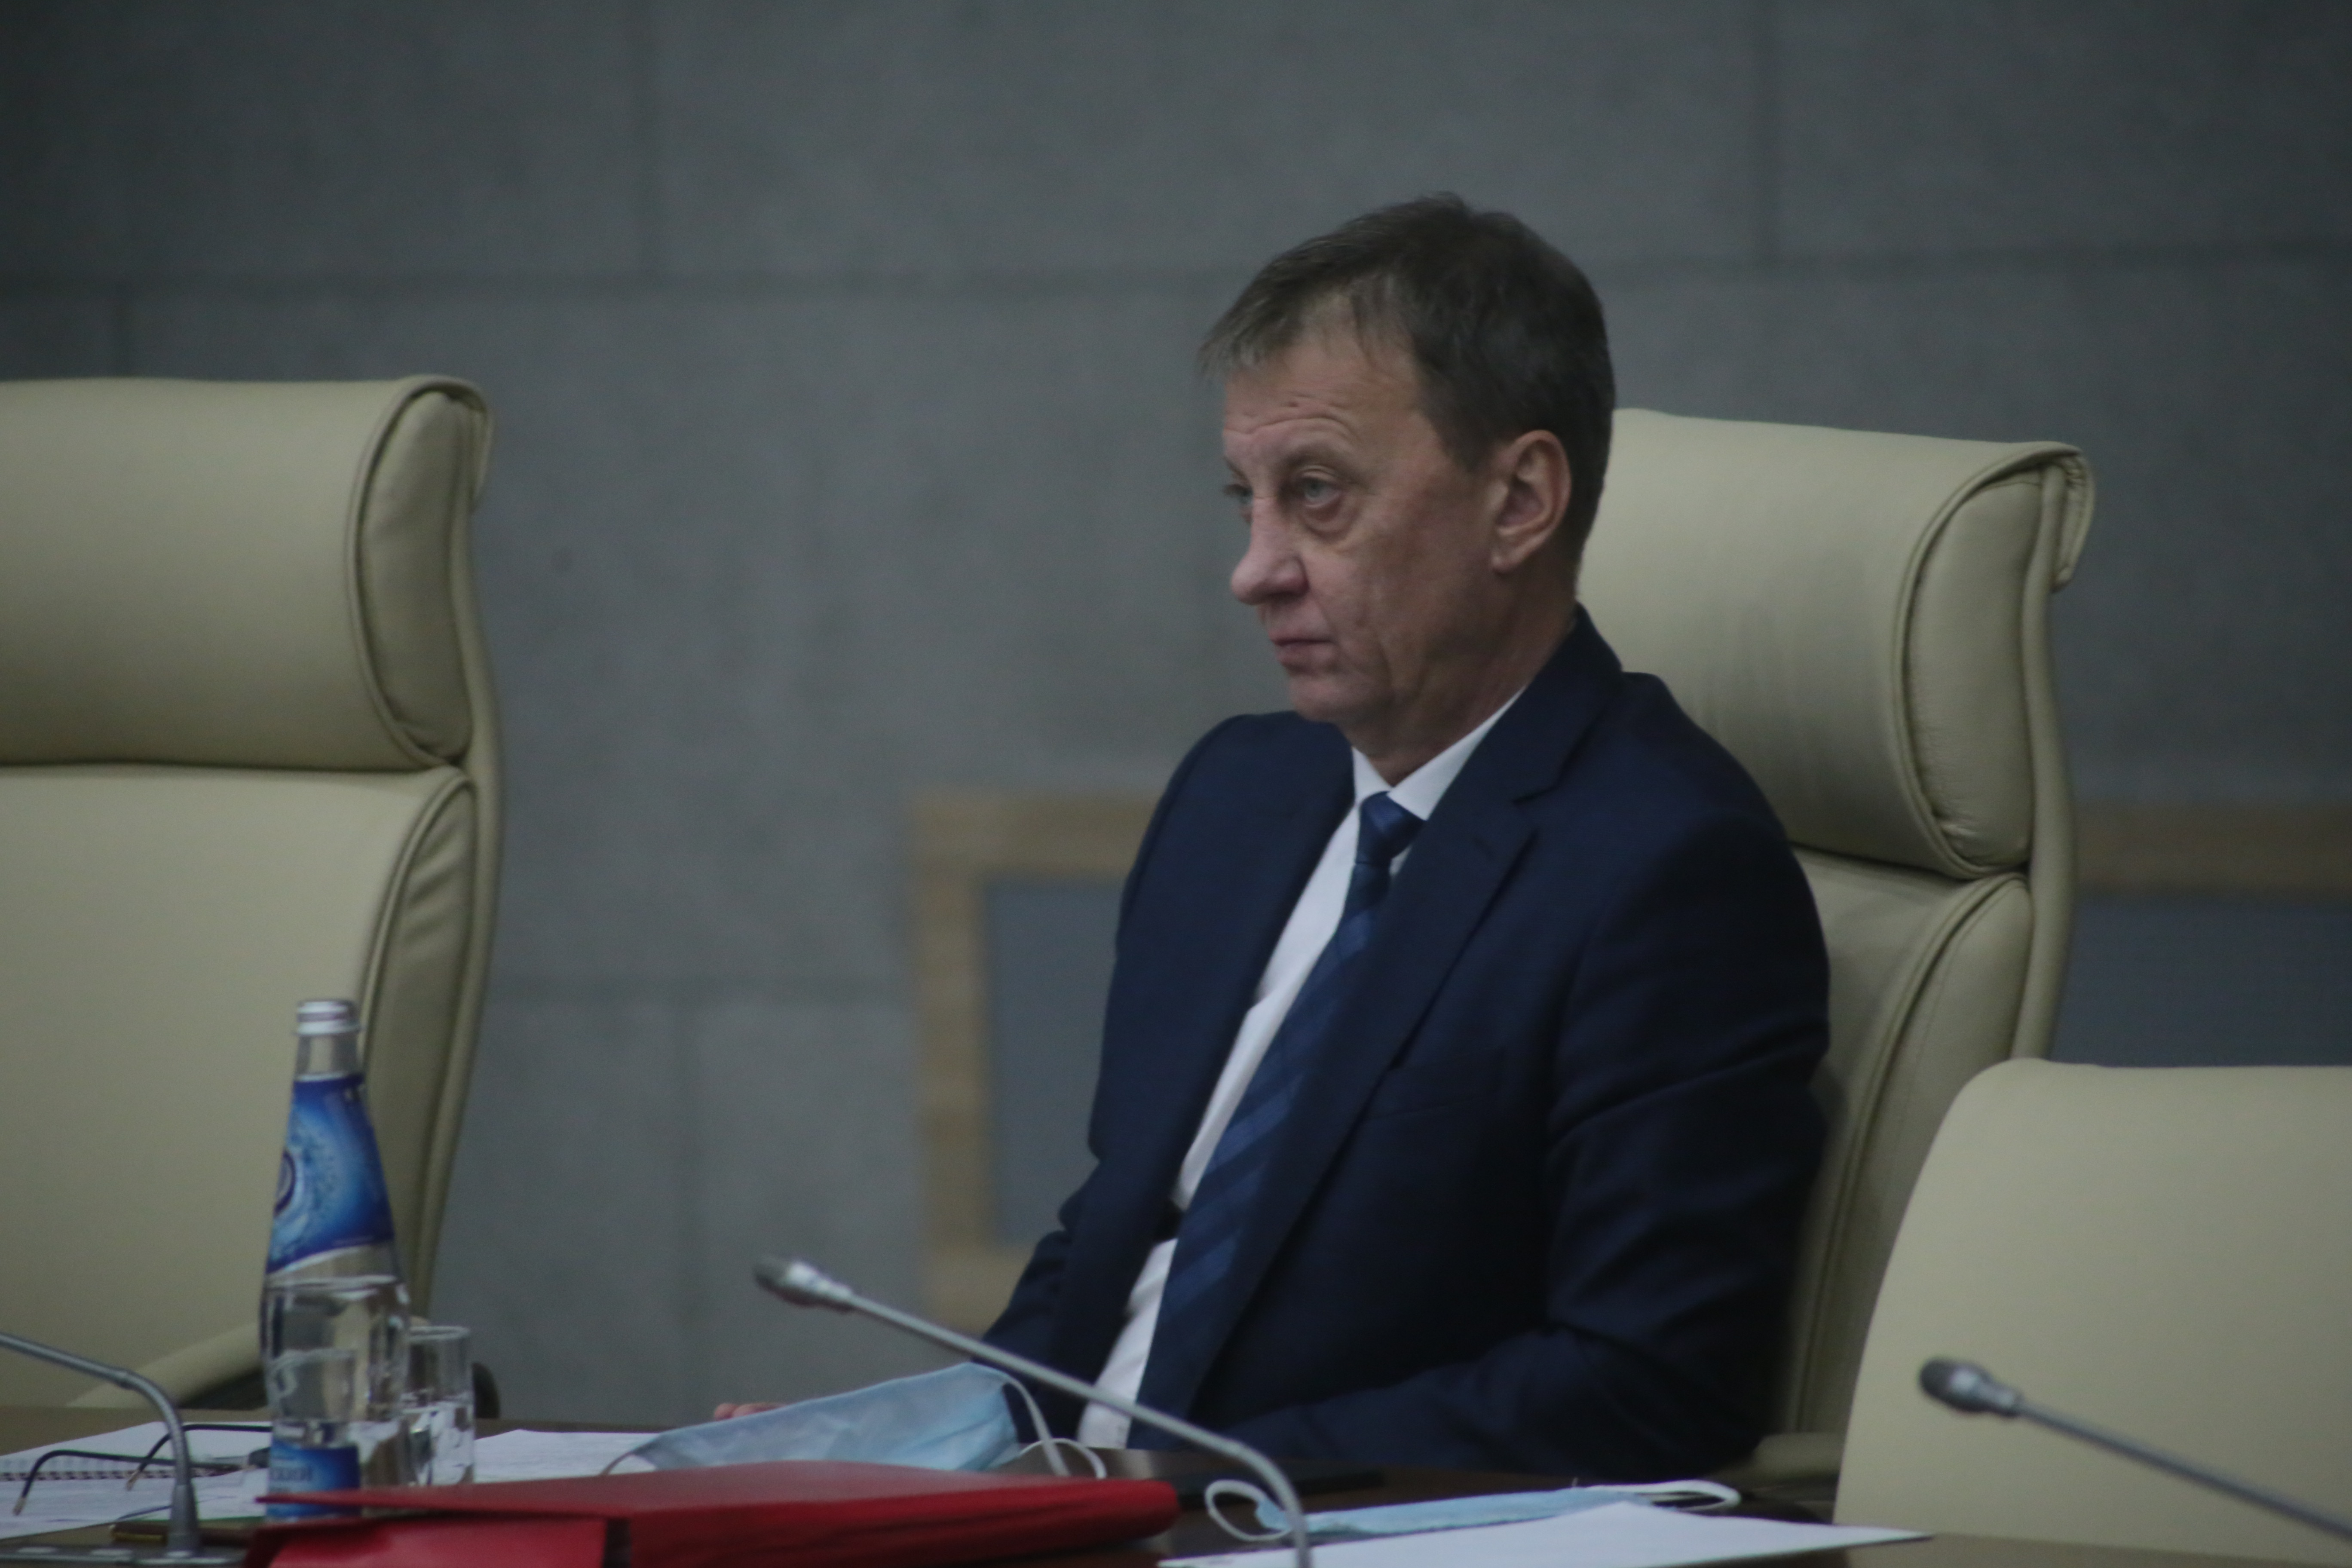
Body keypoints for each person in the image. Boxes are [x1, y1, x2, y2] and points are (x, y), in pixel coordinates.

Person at [977, 195, 1830, 1480]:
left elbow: (1645, 1389)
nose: (1255, 570)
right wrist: (905, 1456)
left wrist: (1168, 1484)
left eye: (1317, 496)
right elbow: (1116, 1241)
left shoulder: (1668, 872)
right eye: (1248, 500)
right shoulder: (1235, 795)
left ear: (1520, 501)